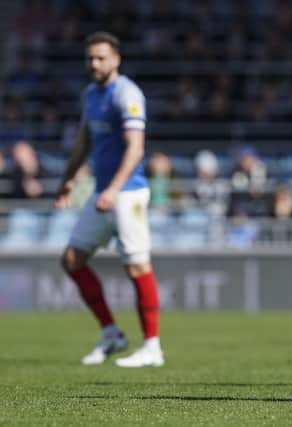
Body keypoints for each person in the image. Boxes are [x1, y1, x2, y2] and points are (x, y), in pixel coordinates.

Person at [54, 32, 164, 367]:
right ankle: (112, 333)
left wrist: (115, 189)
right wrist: (68, 180)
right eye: (90, 58)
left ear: (116, 60)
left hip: (126, 192)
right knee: (72, 258)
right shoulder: (91, 94)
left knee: (137, 266)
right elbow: (83, 143)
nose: (95, 63)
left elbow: (136, 147)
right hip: (105, 192)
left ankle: (152, 347)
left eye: (101, 58)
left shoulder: (127, 94)